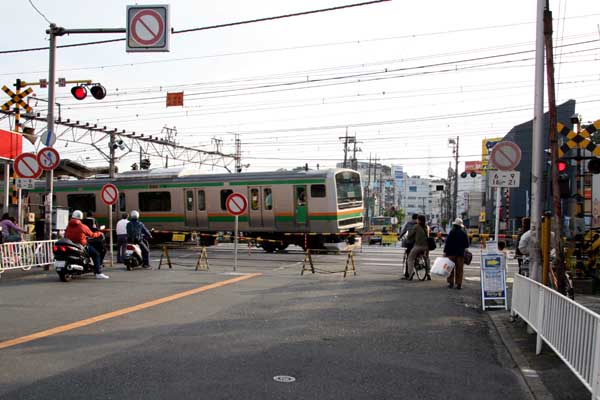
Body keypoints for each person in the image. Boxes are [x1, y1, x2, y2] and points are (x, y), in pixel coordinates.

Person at [65, 210, 108, 279]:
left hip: (71, 245)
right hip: (82, 245)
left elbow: (66, 235)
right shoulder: (82, 226)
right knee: (96, 254)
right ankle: (98, 273)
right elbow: (92, 234)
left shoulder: (68, 226)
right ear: (80, 217)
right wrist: (99, 233)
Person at [443, 218, 470, 289]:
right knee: (459, 269)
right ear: (461, 226)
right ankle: (459, 284)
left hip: (451, 253)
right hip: (460, 254)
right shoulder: (464, 233)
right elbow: (467, 245)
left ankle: (451, 283)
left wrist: (445, 252)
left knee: (450, 269)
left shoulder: (451, 232)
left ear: (454, 225)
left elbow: (447, 243)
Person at [403, 215, 430, 280]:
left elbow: (409, 235)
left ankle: (411, 273)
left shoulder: (416, 226)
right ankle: (428, 273)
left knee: (410, 258)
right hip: (427, 246)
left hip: (418, 246)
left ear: (419, 220)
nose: (417, 220)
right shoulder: (427, 226)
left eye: (418, 219)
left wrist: (407, 237)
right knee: (427, 258)